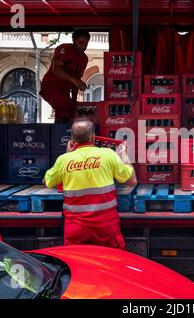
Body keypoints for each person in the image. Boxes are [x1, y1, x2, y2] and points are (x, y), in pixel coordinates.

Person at [43, 120, 137, 249]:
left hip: (75, 228)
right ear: (93, 136)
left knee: (77, 262)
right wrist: (123, 155)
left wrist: (67, 155)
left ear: (72, 139)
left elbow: (47, 182)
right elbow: (132, 181)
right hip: (105, 226)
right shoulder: (108, 154)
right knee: (112, 261)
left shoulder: (63, 160)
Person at [40, 30, 90, 123]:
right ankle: (59, 132)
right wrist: (74, 80)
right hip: (51, 85)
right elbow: (56, 69)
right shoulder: (64, 49)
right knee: (63, 106)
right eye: (81, 42)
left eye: (86, 44)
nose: (83, 46)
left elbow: (77, 81)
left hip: (64, 90)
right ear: (73, 40)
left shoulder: (84, 59)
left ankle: (67, 132)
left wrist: (74, 99)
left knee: (72, 108)